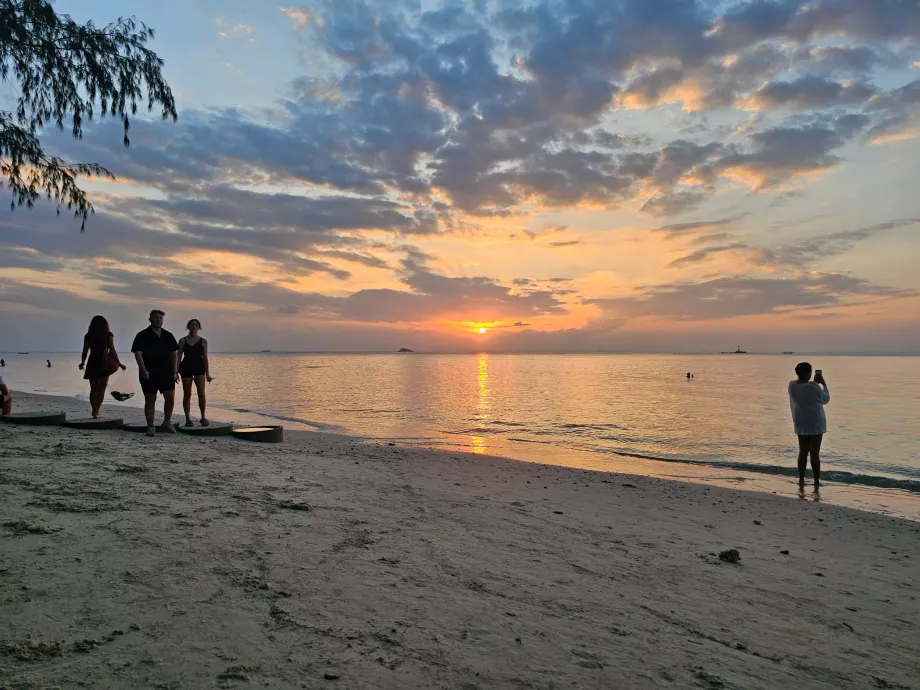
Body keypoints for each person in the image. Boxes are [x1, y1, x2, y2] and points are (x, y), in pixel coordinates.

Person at [131, 309, 180, 437]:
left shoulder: (168, 335)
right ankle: (151, 426)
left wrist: (175, 371)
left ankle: (167, 422)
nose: (158, 319)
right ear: (150, 319)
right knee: (150, 399)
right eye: (155, 317)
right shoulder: (142, 335)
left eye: (160, 318)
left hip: (167, 371)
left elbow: (174, 353)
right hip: (149, 372)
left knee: (170, 397)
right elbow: (138, 353)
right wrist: (142, 369)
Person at [788, 362, 830, 490]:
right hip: (815, 422)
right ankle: (816, 481)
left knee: (803, 452)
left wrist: (813, 383)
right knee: (814, 454)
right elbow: (825, 399)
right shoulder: (814, 386)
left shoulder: (791, 385)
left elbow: (803, 386)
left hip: (801, 422)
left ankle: (801, 479)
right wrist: (823, 384)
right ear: (809, 373)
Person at [78, 316, 126, 418]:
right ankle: (96, 410)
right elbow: (112, 349)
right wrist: (119, 363)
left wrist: (82, 362)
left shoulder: (88, 336)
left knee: (93, 389)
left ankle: (94, 410)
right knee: (101, 389)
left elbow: (85, 351)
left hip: (92, 362)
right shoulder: (108, 334)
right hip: (104, 363)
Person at [177, 318, 213, 427]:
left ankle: (203, 417)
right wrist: (175, 372)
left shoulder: (203, 341)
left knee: (201, 394)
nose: (193, 326)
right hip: (186, 367)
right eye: (191, 324)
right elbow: (178, 357)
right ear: (188, 326)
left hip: (199, 367)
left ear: (199, 327)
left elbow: (205, 358)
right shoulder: (182, 340)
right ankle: (188, 419)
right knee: (187, 394)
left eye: (196, 325)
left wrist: (208, 373)